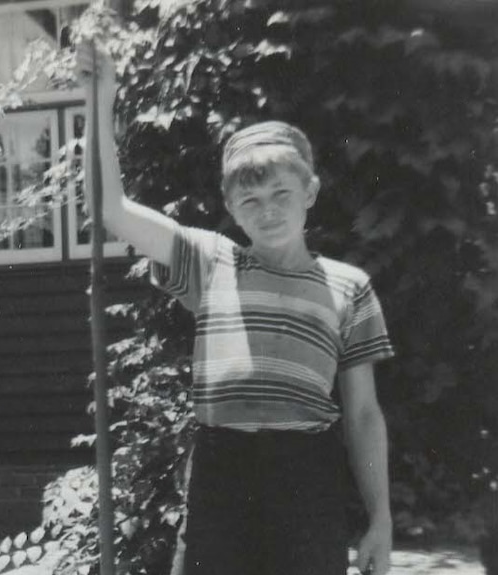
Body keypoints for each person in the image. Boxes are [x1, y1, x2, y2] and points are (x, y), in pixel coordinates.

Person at [76, 42, 395, 575]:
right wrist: (101, 100)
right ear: (231, 208)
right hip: (220, 474)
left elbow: (363, 413)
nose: (267, 211)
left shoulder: (349, 286)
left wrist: (380, 518)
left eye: (281, 193)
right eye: (250, 200)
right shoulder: (210, 260)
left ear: (310, 191)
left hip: (306, 478)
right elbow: (111, 209)